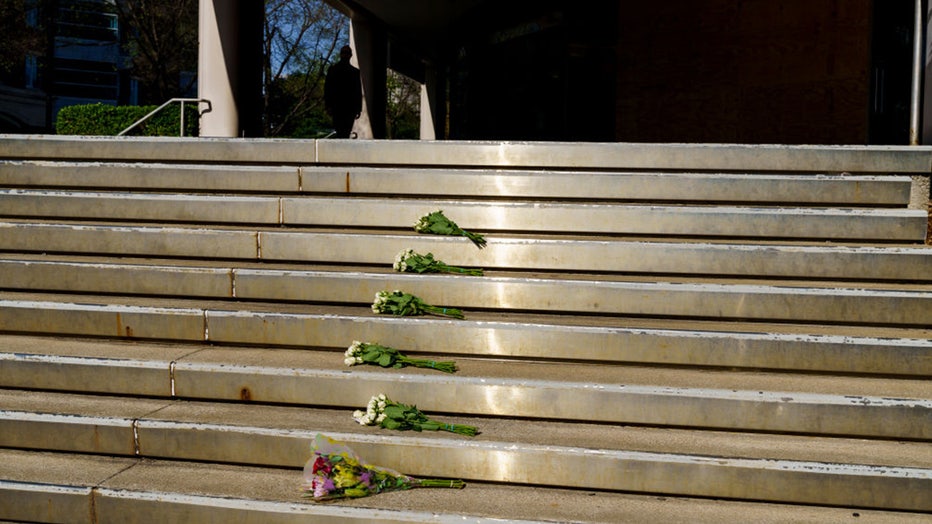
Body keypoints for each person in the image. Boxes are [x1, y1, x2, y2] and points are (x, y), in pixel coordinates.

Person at [324, 45, 362, 138]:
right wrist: (328, 105)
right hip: (337, 107)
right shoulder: (333, 70)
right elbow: (327, 89)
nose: (345, 55)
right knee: (340, 131)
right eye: (344, 53)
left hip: (349, 108)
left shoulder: (355, 72)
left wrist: (358, 108)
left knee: (345, 131)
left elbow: (358, 91)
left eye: (347, 53)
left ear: (350, 55)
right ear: (341, 55)